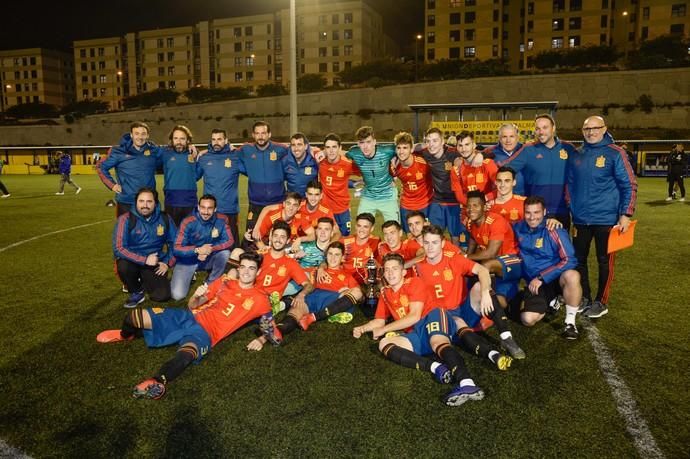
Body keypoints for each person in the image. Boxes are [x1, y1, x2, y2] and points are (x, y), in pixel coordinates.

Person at [96, 251, 280, 399]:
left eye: (252, 268)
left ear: (258, 272)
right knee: (133, 316)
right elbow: (192, 305)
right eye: (244, 267)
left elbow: (274, 331)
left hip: (207, 334)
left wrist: (262, 339)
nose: (247, 272)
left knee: (187, 354)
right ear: (238, 269)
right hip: (188, 317)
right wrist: (197, 296)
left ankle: (158, 381)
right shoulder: (224, 281)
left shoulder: (260, 300)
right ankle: (124, 335)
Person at [354, 253, 511, 407]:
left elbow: (414, 316)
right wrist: (363, 328)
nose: (390, 273)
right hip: (416, 332)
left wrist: (383, 329)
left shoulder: (414, 283)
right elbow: (379, 320)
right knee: (385, 343)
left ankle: (467, 383)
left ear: (403, 272)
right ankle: (437, 368)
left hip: (433, 316)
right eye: (387, 270)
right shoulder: (385, 293)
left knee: (437, 341)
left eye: (395, 269)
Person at [413, 225, 525, 360]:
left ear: (443, 243)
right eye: (427, 242)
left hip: (464, 310)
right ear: (422, 243)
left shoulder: (453, 259)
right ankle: (482, 347)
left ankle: (506, 338)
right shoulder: (418, 267)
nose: (430, 247)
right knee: (454, 323)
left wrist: (485, 293)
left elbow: (482, 270)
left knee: (480, 287)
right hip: (443, 318)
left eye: (435, 242)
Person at [567, 116, 637, 319]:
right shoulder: (578, 154)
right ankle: (586, 297)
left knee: (604, 261)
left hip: (607, 220)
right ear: (582, 131)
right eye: (587, 128)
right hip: (580, 219)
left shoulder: (616, 153)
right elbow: (570, 185)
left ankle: (601, 301)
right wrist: (572, 206)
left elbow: (629, 185)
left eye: (595, 128)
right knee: (578, 260)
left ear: (604, 128)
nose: (591, 132)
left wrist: (625, 214)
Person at [513, 196, 582, 339]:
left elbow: (570, 260)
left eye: (536, 212)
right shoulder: (517, 228)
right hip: (534, 284)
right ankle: (552, 303)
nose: (532, 217)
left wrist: (542, 277)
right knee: (527, 319)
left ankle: (570, 323)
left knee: (572, 275)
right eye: (528, 213)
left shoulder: (554, 229)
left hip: (554, 279)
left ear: (544, 212)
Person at [501, 114, 576, 228]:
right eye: (537, 129)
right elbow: (504, 169)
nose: (541, 132)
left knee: (561, 245)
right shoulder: (528, 150)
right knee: (535, 245)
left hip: (561, 211)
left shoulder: (568, 148)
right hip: (535, 213)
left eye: (545, 127)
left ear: (553, 128)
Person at [112, 187, 176, 308]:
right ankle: (137, 291)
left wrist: (167, 263)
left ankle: (146, 279)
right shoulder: (125, 219)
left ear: (155, 203)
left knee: (162, 296)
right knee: (123, 266)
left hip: (154, 262)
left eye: (149, 201)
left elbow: (175, 243)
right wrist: (144, 260)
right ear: (136, 202)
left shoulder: (164, 218)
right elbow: (119, 248)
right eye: (141, 201)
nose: (145, 205)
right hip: (132, 262)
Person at [465, 191, 522, 317]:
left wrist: (465, 257)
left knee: (486, 265)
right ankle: (514, 299)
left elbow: (491, 253)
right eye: (468, 206)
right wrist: (463, 261)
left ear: (484, 207)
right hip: (496, 269)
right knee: (500, 303)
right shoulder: (472, 224)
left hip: (513, 261)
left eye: (475, 205)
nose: (471, 209)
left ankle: (485, 296)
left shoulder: (496, 221)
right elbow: (471, 249)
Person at [170, 195, 233, 301]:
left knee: (225, 254)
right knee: (177, 295)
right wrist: (197, 250)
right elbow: (176, 248)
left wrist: (210, 249)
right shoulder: (188, 221)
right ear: (198, 207)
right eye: (203, 207)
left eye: (209, 208)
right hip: (188, 260)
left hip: (207, 258)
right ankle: (188, 275)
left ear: (215, 209)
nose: (206, 212)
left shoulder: (222, 219)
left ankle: (210, 283)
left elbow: (229, 240)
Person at [235, 121, 289, 234]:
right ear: (253, 135)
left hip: (277, 202)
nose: (260, 136)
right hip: (256, 204)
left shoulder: (281, 148)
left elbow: (299, 150)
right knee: (251, 237)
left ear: (269, 134)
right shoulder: (246, 149)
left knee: (278, 236)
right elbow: (228, 153)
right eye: (257, 133)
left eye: (263, 133)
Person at [98, 122, 160, 216]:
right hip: (126, 202)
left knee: (150, 230)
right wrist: (112, 185)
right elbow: (101, 166)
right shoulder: (118, 151)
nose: (140, 137)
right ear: (131, 135)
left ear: (147, 136)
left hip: (148, 202)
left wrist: (189, 147)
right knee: (124, 230)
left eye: (143, 134)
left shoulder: (154, 151)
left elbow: (172, 154)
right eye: (137, 133)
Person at [196, 128, 244, 248]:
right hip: (210, 209)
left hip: (229, 208)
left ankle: (232, 264)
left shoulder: (235, 157)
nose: (216, 142)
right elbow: (194, 177)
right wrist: (195, 157)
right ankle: (208, 265)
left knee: (232, 242)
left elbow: (251, 172)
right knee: (210, 240)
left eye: (219, 139)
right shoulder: (204, 158)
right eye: (213, 139)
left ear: (226, 140)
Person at [419, 127, 465, 246]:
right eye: (428, 141)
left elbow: (473, 153)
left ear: (442, 141)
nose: (431, 144)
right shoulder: (425, 153)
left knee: (456, 237)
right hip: (437, 201)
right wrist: (394, 156)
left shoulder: (453, 153)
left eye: (435, 141)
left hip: (455, 202)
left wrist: (476, 156)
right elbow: (409, 147)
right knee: (433, 235)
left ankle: (455, 261)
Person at [346, 126, 399, 222]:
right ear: (358, 143)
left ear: (374, 142)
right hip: (368, 196)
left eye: (368, 142)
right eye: (362, 142)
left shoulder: (387, 151)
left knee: (393, 229)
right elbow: (339, 154)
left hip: (388, 195)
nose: (365, 146)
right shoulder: (354, 152)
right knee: (361, 227)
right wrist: (324, 152)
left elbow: (406, 149)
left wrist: (396, 159)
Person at [390, 131, 433, 232]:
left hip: (424, 205)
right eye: (399, 148)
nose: (401, 152)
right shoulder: (393, 166)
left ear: (412, 149)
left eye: (405, 148)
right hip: (406, 205)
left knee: (426, 235)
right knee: (409, 236)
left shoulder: (423, 163)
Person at [158, 125, 199, 226]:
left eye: (182, 138)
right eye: (175, 138)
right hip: (171, 202)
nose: (179, 141)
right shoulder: (164, 153)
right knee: (172, 236)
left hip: (190, 203)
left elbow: (198, 174)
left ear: (188, 140)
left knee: (189, 235)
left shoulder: (194, 154)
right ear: (171, 140)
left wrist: (201, 152)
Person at [318, 133, 357, 236]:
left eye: (334, 147)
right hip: (325, 209)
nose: (331, 150)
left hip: (342, 209)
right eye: (328, 147)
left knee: (344, 238)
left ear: (340, 148)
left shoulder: (348, 164)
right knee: (326, 238)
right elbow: (308, 149)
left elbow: (366, 170)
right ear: (324, 149)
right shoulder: (320, 162)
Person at [250, 192, 314, 251]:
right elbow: (256, 238)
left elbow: (313, 235)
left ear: (299, 207)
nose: (291, 208)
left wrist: (300, 239)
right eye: (288, 203)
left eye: (295, 205)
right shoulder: (272, 217)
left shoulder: (300, 217)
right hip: (267, 245)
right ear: (283, 204)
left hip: (287, 247)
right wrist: (265, 249)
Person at [450, 131, 498, 206]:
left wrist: (485, 199)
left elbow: (501, 187)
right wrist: (474, 207)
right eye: (460, 145)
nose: (464, 149)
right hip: (468, 210)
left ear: (473, 145)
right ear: (457, 147)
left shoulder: (488, 164)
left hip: (487, 208)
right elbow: (459, 197)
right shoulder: (455, 169)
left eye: (467, 144)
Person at [484, 123, 524, 195]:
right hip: (500, 198)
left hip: (524, 198)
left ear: (517, 138)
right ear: (499, 138)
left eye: (512, 136)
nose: (508, 140)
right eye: (504, 137)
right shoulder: (490, 153)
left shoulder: (526, 150)